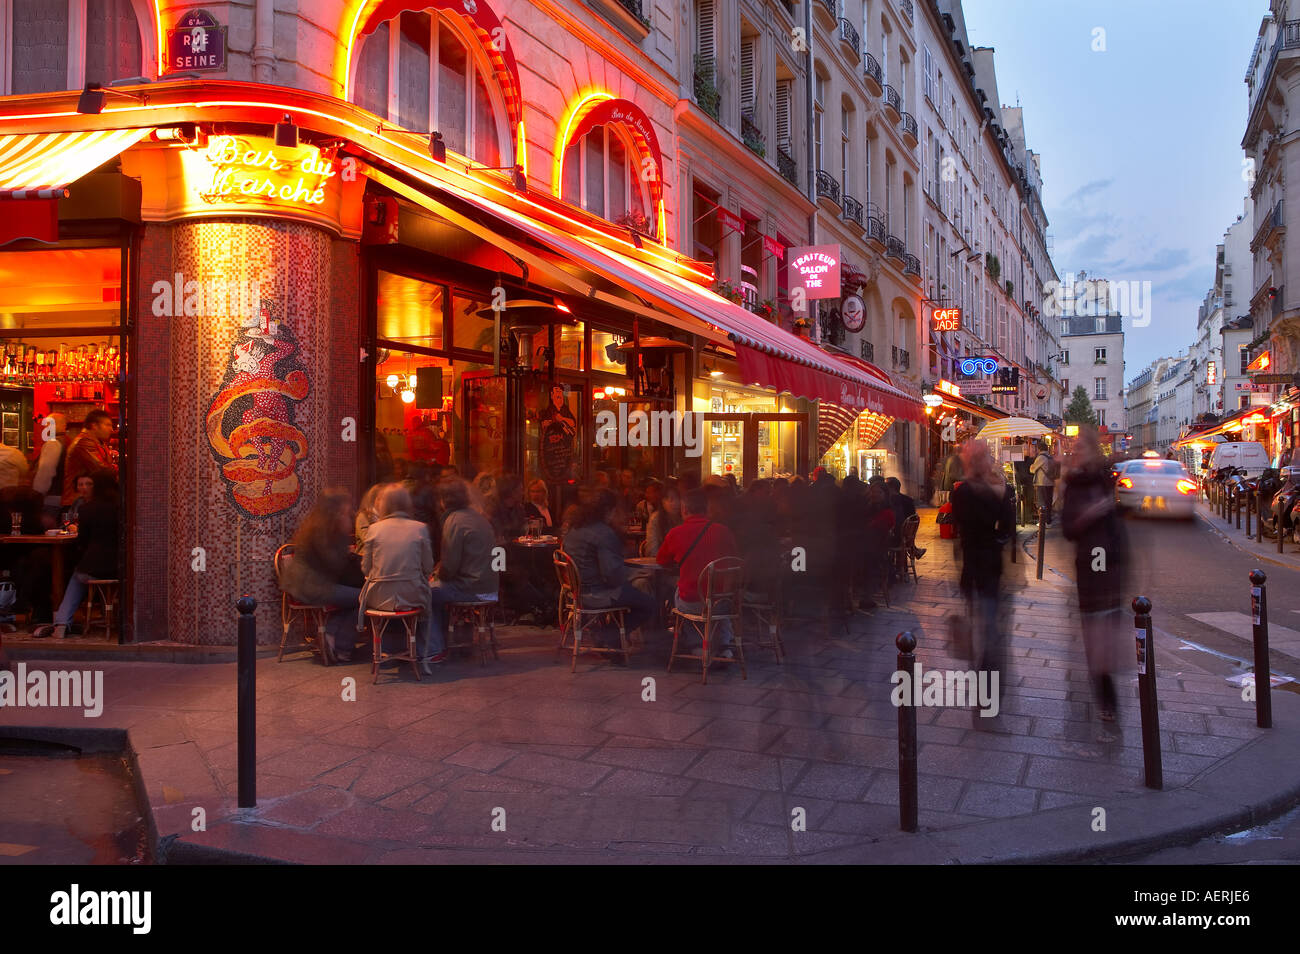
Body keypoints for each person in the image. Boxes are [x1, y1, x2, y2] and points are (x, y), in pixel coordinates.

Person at [1061, 426, 1128, 731]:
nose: (1075, 453)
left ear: (1092, 451)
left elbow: (1117, 529)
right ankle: (1104, 696)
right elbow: (1067, 528)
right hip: (1089, 565)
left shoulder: (1104, 481)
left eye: (1080, 448)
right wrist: (1089, 515)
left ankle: (1107, 698)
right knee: (1094, 640)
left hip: (1107, 565)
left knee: (1103, 638)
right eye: (1074, 449)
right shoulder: (1073, 485)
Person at [950, 440, 1016, 721]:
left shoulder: (965, 491)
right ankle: (987, 693)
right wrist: (1000, 492)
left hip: (977, 570)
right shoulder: (980, 491)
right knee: (989, 633)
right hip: (987, 568)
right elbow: (1003, 527)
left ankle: (985, 692)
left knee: (985, 632)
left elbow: (1002, 526)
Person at [562, 489, 654, 660]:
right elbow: (612, 574)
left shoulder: (575, 528)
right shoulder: (604, 533)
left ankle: (610, 637)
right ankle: (610, 635)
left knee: (635, 594)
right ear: (608, 510)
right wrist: (634, 574)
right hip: (598, 594)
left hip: (575, 592)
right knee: (648, 603)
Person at [278, 490, 365, 661]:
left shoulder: (318, 525)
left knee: (355, 597)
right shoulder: (322, 530)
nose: (350, 512)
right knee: (363, 597)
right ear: (336, 510)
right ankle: (341, 647)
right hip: (310, 586)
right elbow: (334, 564)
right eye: (346, 509)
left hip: (310, 583)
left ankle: (330, 636)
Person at [34, 473, 119, 639]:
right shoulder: (123, 506)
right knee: (85, 573)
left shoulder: (87, 509)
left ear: (97, 488)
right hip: (121, 567)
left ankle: (61, 623)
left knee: (78, 575)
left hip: (93, 567)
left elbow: (83, 541)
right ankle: (109, 615)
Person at [359, 484, 435, 669]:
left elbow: (365, 568)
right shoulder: (420, 528)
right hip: (412, 595)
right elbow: (429, 566)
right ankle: (424, 654)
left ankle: (381, 654)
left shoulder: (374, 530)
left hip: (378, 598)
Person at [427, 477, 500, 666]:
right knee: (437, 591)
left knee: (424, 594)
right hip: (490, 586)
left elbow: (450, 567)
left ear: (443, 500)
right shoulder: (478, 517)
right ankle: (460, 642)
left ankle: (434, 649)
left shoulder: (454, 521)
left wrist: (435, 575)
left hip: (470, 588)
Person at [657, 489, 740, 657]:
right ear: (706, 509)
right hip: (721, 602)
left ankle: (695, 643)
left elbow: (661, 561)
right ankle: (725, 644)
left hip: (691, 602)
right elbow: (735, 561)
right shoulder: (724, 531)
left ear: (684, 509)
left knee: (679, 590)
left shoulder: (675, 533)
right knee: (718, 594)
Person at [62, 410, 116, 506]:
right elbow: (102, 471)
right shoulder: (84, 442)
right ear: (94, 426)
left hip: (86, 500)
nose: (111, 429)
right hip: (77, 501)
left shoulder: (98, 442)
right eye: (107, 425)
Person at [32, 412, 68, 513]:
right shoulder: (68, 441)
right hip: (62, 496)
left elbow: (46, 471)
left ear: (63, 426)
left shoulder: (53, 443)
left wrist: (36, 494)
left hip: (51, 498)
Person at [885, 476, 926, 561]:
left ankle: (886, 567)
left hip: (897, 537)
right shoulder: (908, 500)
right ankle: (913, 550)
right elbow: (913, 518)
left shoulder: (890, 501)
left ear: (890, 488)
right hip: (906, 537)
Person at [643, 485, 681, 558]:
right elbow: (651, 548)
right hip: (661, 563)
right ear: (662, 502)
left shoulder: (685, 518)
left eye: (677, 498)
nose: (674, 503)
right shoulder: (655, 519)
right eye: (668, 499)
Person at [1030, 441, 1057, 524]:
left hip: (1042, 482)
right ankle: (1048, 520)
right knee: (1048, 502)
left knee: (1042, 502)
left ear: (1039, 449)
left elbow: (1032, 469)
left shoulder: (1041, 457)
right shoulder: (1050, 456)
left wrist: (1031, 466)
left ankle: (1043, 522)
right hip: (1050, 482)